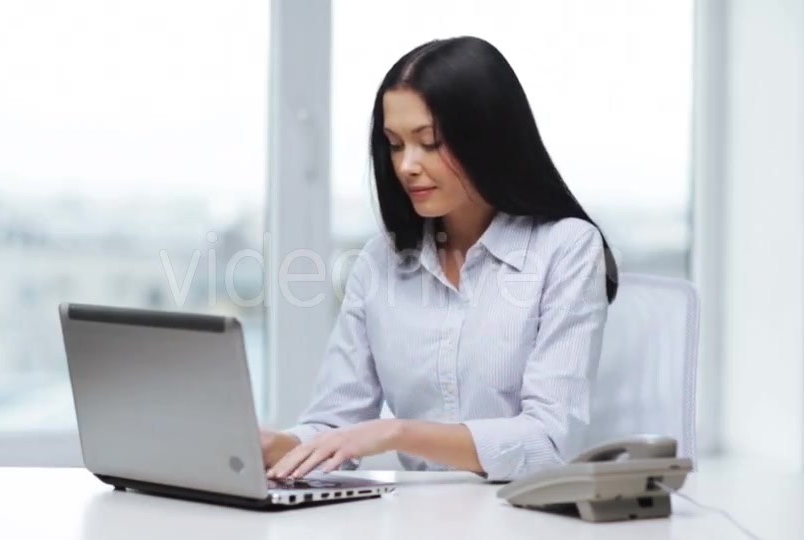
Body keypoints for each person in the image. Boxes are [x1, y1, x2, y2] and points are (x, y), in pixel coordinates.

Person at [263, 36, 619, 482]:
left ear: (487, 140)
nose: (406, 165)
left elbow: (548, 444)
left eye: (429, 142)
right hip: (417, 519)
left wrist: (399, 433)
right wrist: (283, 445)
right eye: (394, 144)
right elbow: (338, 424)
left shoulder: (567, 249)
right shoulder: (381, 261)